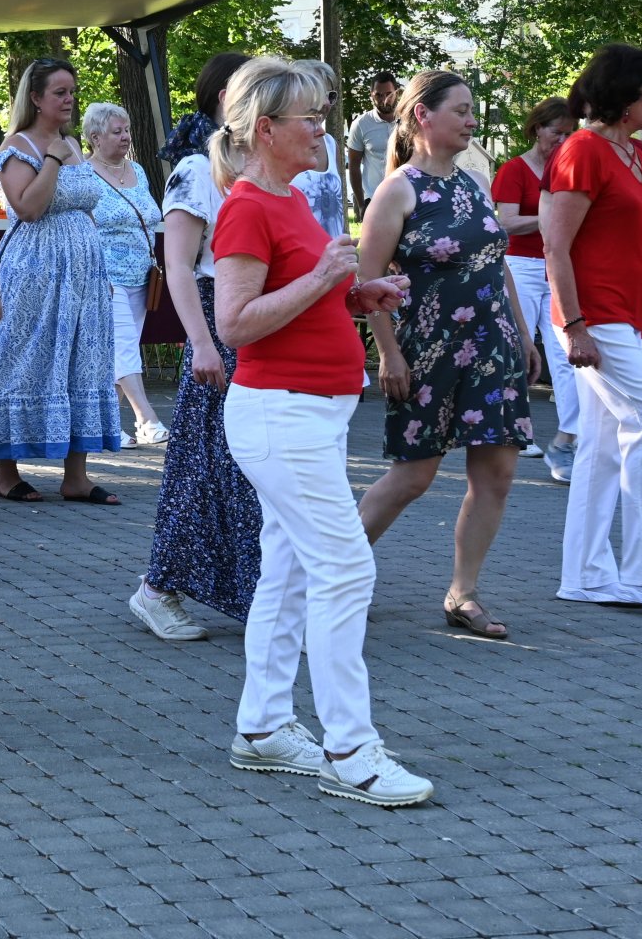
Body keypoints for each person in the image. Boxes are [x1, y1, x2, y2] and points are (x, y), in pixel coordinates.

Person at [208, 57, 429, 807]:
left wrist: (356, 291)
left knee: (294, 571)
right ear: (265, 129)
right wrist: (319, 281)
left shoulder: (293, 200)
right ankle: (349, 750)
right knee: (346, 570)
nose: (322, 128)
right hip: (280, 415)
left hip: (312, 412)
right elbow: (234, 323)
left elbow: (298, 300)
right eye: (308, 116)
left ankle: (265, 727)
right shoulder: (248, 207)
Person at [355, 71, 538, 640]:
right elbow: (366, 282)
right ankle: (329, 575)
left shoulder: (473, 182)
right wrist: (387, 355)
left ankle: (464, 593)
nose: (471, 119)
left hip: (494, 345)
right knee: (413, 476)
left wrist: (524, 335)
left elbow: (496, 261)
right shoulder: (399, 190)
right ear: (422, 117)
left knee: (499, 473)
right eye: (461, 110)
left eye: (472, 109)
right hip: (429, 349)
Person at [542, 43, 642, 610]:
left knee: (604, 449)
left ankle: (584, 576)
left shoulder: (639, 155)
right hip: (595, 318)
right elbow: (556, 245)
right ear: (625, 95)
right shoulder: (582, 150)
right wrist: (576, 324)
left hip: (627, 319)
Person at [129, 70, 264, 642]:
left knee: (247, 469)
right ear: (224, 99)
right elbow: (180, 266)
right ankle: (158, 588)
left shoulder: (260, 169)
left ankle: (263, 593)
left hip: (255, 320)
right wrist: (203, 344)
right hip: (216, 323)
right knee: (204, 465)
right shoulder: (194, 170)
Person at [0, 58, 123, 504]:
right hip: (35, 270)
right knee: (26, 358)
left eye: (72, 91)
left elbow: (87, 205)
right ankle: (5, 472)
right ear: (35, 99)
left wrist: (100, 271)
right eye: (60, 92)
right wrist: (53, 159)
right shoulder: (16, 147)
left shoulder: (73, 145)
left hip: (83, 274)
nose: (70, 99)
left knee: (83, 362)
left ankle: (76, 476)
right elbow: (29, 208)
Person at [493, 97, 579, 478]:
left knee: (566, 353)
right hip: (521, 267)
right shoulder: (514, 170)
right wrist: (549, 216)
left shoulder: (572, 170)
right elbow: (507, 222)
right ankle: (516, 430)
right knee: (517, 350)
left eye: (568, 133)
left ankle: (570, 437)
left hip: (557, 267)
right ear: (536, 129)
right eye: (555, 131)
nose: (561, 139)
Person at [84, 101, 168, 447]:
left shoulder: (138, 171)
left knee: (124, 350)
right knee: (123, 349)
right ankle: (146, 420)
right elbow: (84, 227)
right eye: (116, 132)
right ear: (94, 137)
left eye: (127, 130)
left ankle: (104, 427)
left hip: (143, 277)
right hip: (106, 278)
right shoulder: (84, 175)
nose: (125, 137)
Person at [160, 52, 251, 164]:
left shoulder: (241, 155)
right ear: (226, 99)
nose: (261, 104)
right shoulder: (195, 168)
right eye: (253, 94)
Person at [289, 62, 347, 238]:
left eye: (331, 95)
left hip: (335, 257)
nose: (326, 103)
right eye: (318, 94)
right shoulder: (280, 146)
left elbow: (339, 209)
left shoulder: (330, 144)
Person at [345, 71, 398, 213]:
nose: (384, 99)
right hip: (374, 199)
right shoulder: (361, 124)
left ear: (396, 93)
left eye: (388, 94)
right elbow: (354, 166)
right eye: (378, 95)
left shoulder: (409, 121)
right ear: (371, 95)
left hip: (407, 197)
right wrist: (361, 204)